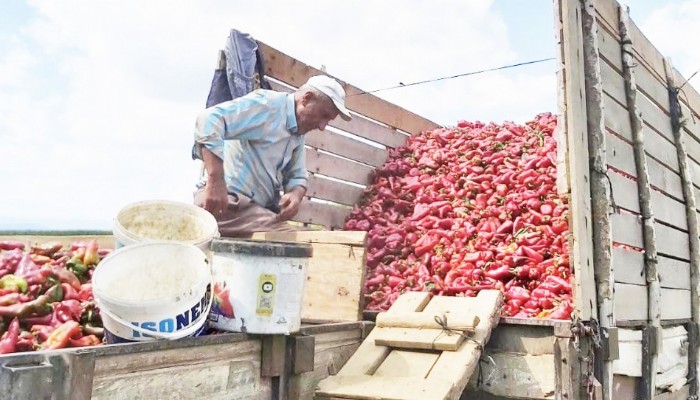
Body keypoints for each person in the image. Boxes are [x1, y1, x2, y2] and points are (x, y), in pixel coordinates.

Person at [192, 75, 352, 238]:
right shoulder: (267, 105)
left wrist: (295, 195)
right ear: (306, 98)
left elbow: (297, 176)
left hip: (253, 214)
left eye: (328, 120)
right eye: (323, 115)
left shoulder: (297, 131)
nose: (322, 126)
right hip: (225, 203)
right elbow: (209, 119)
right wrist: (215, 179)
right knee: (306, 242)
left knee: (299, 238)